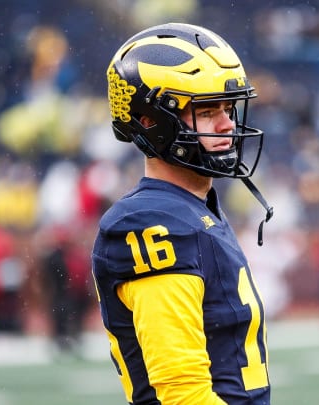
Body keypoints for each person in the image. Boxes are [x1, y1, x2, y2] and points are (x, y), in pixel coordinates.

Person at [91, 23, 273, 404]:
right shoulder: (152, 223)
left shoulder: (193, 207)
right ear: (149, 121)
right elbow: (183, 394)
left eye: (228, 108)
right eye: (206, 112)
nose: (227, 125)